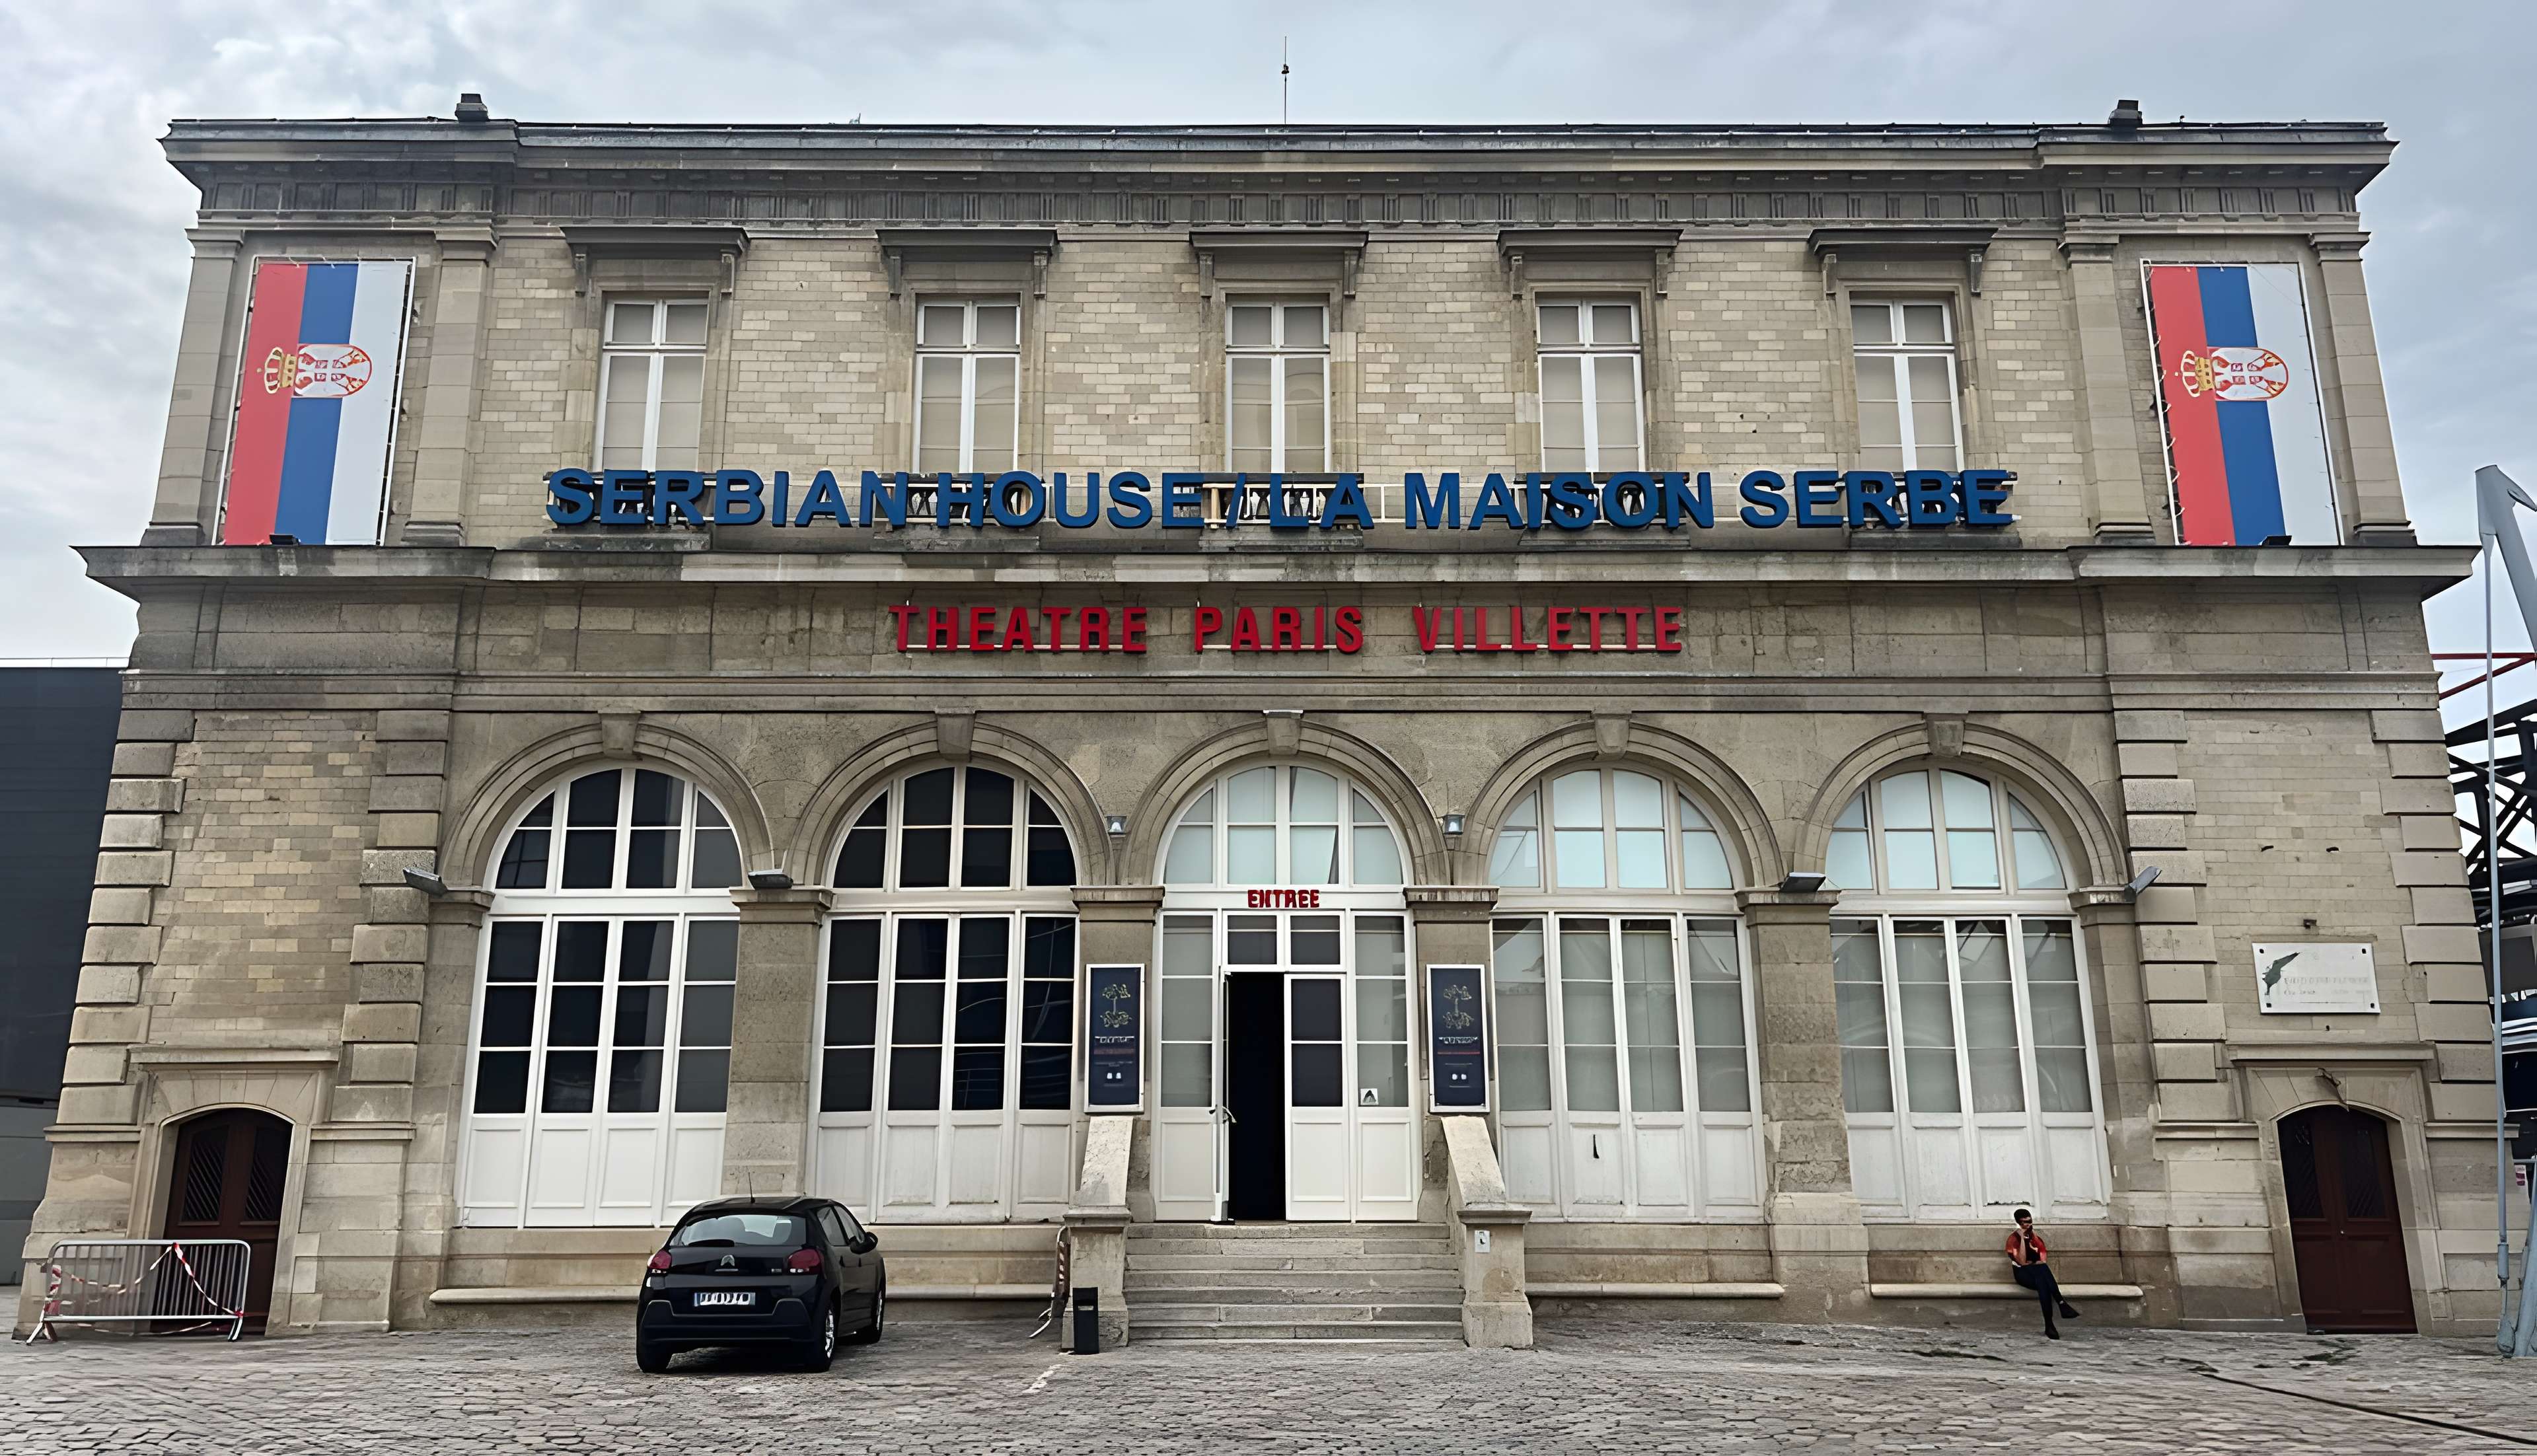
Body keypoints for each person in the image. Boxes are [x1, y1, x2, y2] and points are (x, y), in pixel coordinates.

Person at [2006, 1207, 2079, 1338]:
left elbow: (2042, 1260)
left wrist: (2032, 1239)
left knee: (2042, 1281)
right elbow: (2022, 1262)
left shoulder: (2036, 1239)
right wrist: (2023, 1239)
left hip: (2037, 1273)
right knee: (2041, 1274)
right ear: (2018, 1223)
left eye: (2029, 1221)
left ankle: (2049, 1325)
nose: (2027, 1225)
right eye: (2023, 1223)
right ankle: (2062, 1304)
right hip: (2022, 1274)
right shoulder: (2013, 1239)